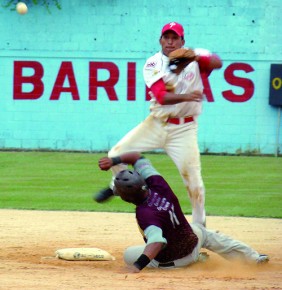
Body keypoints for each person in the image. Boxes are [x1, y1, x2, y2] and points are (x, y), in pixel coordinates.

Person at [94, 21, 223, 226]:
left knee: (195, 184)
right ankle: (118, 186)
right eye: (167, 37)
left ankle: (201, 230)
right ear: (160, 40)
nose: (170, 42)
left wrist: (198, 56)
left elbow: (218, 63)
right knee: (114, 156)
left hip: (184, 129)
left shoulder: (195, 59)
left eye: (175, 38)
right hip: (156, 124)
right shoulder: (153, 63)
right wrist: (188, 96)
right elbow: (162, 97)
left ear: (182, 41)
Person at [98, 152, 269, 273]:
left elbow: (157, 242)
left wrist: (136, 267)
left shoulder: (145, 213)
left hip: (177, 260)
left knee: (130, 254)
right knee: (205, 233)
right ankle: (253, 258)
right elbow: (135, 156)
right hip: (194, 239)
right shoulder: (158, 184)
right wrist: (114, 160)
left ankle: (194, 262)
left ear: (126, 198)